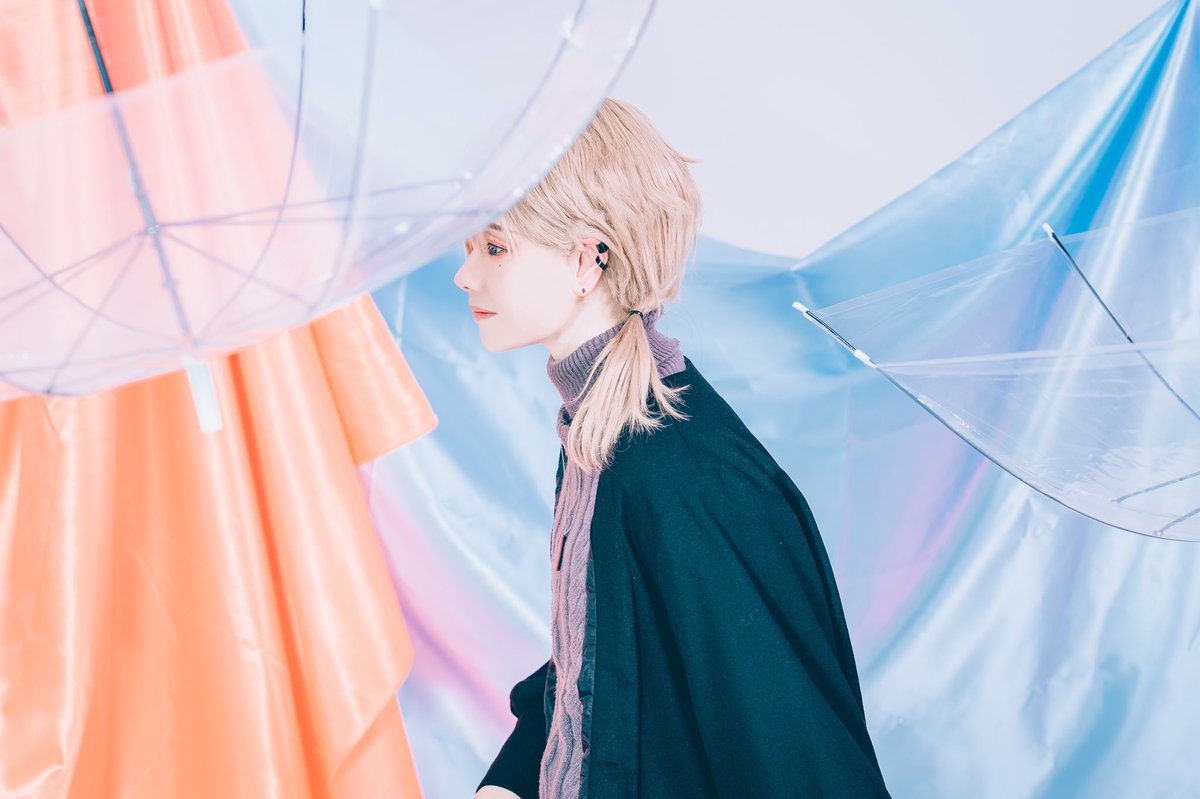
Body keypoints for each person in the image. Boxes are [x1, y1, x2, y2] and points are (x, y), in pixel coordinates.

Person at [454, 98, 890, 799]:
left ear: (587, 261)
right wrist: (507, 786)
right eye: (469, 247)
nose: (466, 274)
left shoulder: (692, 486)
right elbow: (597, 663)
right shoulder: (597, 435)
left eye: (495, 248)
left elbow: (801, 763)